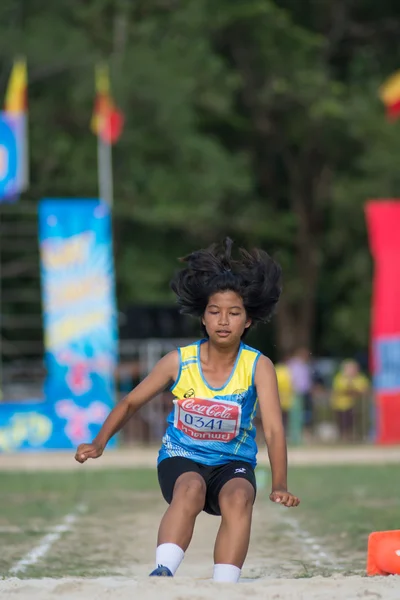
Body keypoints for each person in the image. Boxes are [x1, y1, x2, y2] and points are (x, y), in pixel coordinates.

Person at [74, 238, 300, 583]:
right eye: (215, 311)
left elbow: (273, 429)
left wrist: (280, 482)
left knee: (240, 497)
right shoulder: (179, 361)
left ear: (248, 321)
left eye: (234, 312)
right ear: (203, 318)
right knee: (191, 487)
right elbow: (131, 402)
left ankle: (225, 584)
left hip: (232, 463)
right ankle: (162, 572)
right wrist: (100, 441)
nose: (224, 320)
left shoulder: (258, 366)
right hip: (182, 458)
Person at [331, 359, 369, 441]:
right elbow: (341, 390)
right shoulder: (340, 377)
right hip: (340, 405)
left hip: (356, 406)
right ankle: (344, 438)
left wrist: (352, 390)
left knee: (353, 423)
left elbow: (364, 390)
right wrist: (354, 390)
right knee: (343, 424)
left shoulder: (360, 378)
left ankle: (353, 437)